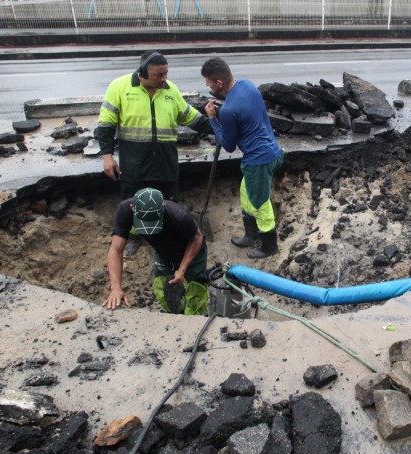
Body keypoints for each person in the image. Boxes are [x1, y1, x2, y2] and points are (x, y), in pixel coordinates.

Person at [95, 50, 212, 256]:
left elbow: (189, 116)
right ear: (142, 72)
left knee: (169, 202)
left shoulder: (170, 90)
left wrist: (216, 125)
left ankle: (170, 235)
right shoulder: (119, 87)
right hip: (134, 161)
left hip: (165, 162)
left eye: (166, 73)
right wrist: (107, 156)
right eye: (159, 74)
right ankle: (133, 235)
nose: (164, 78)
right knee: (133, 201)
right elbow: (105, 124)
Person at [200, 57, 284, 259]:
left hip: (258, 161)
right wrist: (225, 116)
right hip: (273, 152)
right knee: (246, 193)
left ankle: (269, 246)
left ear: (219, 83)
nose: (206, 85)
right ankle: (251, 235)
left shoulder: (229, 110)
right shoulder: (247, 85)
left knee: (259, 202)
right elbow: (245, 114)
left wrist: (213, 119)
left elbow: (228, 146)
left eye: (208, 82)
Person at [103, 188, 208, 315]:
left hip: (190, 252)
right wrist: (116, 288)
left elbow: (197, 238)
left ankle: (194, 323)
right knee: (163, 290)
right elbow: (116, 250)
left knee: (195, 296)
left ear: (162, 208)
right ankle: (177, 314)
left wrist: (182, 270)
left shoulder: (180, 216)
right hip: (164, 252)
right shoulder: (125, 210)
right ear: (132, 208)